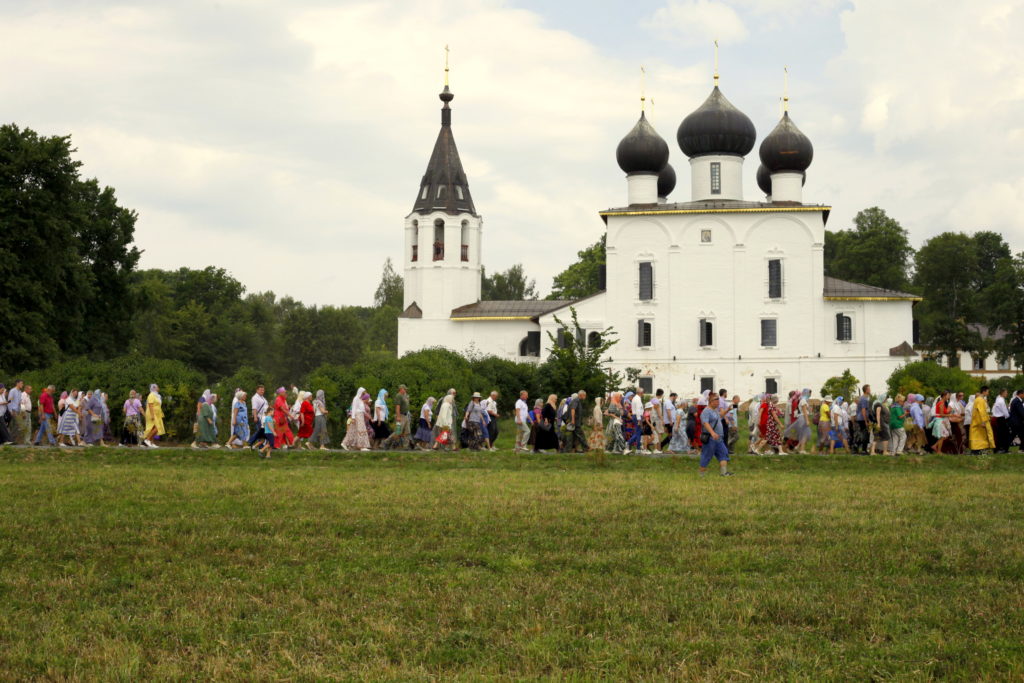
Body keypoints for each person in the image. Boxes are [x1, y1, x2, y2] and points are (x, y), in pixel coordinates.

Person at [699, 394, 733, 476]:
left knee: (723, 453)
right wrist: (712, 433)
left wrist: (728, 409)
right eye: (716, 400)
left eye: (718, 400)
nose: (718, 402)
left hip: (719, 438)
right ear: (711, 402)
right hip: (711, 438)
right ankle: (701, 475)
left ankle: (724, 473)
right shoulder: (706, 411)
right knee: (707, 456)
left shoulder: (715, 411)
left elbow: (720, 416)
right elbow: (705, 423)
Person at [341, 387, 372, 451]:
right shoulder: (356, 399)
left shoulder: (360, 400)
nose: (364, 394)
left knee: (352, 431)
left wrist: (369, 417)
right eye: (363, 393)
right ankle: (362, 446)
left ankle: (344, 443)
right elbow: (353, 408)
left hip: (360, 415)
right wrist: (353, 418)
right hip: (357, 415)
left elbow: (363, 410)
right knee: (361, 429)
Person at [970, 386, 995, 454]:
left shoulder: (978, 399)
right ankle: (978, 450)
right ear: (984, 391)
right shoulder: (981, 400)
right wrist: (983, 421)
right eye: (988, 391)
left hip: (977, 420)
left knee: (978, 436)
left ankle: (978, 449)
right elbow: (982, 411)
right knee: (983, 435)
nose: (988, 393)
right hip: (980, 421)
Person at [992, 388, 1011, 454]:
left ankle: (1000, 448)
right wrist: (1008, 416)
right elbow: (1004, 411)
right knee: (1005, 434)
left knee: (1000, 434)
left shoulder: (999, 399)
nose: (1007, 394)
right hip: (1001, 418)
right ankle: (1004, 449)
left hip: (999, 418)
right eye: (1006, 393)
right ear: (1002, 393)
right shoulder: (1001, 401)